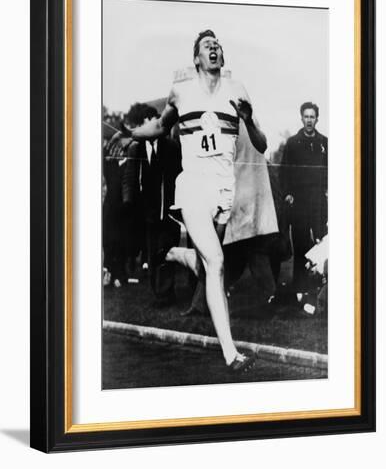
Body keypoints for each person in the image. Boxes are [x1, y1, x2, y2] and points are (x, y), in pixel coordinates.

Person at [132, 29, 269, 371]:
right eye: (207, 46)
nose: (214, 48)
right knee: (218, 263)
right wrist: (133, 133)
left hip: (225, 189)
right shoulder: (181, 92)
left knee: (212, 267)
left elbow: (262, 143)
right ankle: (231, 355)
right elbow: (162, 128)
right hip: (192, 186)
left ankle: (180, 254)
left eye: (218, 45)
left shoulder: (238, 91)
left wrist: (249, 120)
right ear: (196, 58)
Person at [123, 104, 182, 307]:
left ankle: (166, 292)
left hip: (169, 208)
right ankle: (158, 292)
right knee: (151, 251)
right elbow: (130, 178)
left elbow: (178, 177)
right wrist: (128, 203)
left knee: (167, 249)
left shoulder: (172, 147)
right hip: (147, 211)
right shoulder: (136, 148)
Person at [280, 102, 328, 313]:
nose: (309, 120)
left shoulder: (324, 143)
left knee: (320, 244)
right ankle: (299, 289)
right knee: (300, 247)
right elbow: (284, 172)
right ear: (301, 118)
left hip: (318, 202)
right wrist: (288, 193)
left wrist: (328, 191)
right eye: (306, 116)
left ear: (317, 119)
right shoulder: (292, 143)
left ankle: (319, 290)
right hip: (299, 202)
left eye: (312, 117)